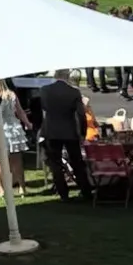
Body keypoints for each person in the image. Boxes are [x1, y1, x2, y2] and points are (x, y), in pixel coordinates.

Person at [40, 70, 93, 201]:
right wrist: (82, 132)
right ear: (67, 77)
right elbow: (81, 115)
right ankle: (85, 190)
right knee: (77, 162)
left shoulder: (45, 90)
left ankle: (63, 193)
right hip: (69, 130)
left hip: (51, 130)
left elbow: (42, 107)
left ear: (55, 76)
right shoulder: (74, 92)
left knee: (55, 164)